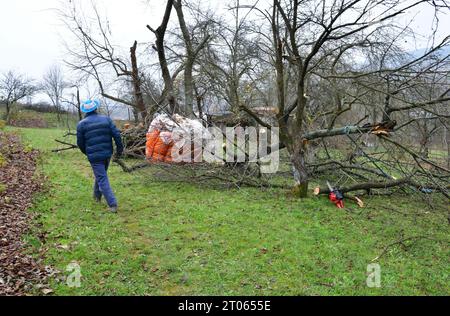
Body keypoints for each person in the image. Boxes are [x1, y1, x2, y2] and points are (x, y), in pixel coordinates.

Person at [76, 99, 124, 213]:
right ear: (95, 108)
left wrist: (87, 152)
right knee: (101, 175)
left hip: (94, 156)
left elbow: (80, 143)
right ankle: (96, 196)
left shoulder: (81, 124)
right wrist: (119, 150)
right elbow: (117, 135)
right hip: (107, 153)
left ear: (84, 111)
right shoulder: (106, 120)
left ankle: (113, 204)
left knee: (101, 177)